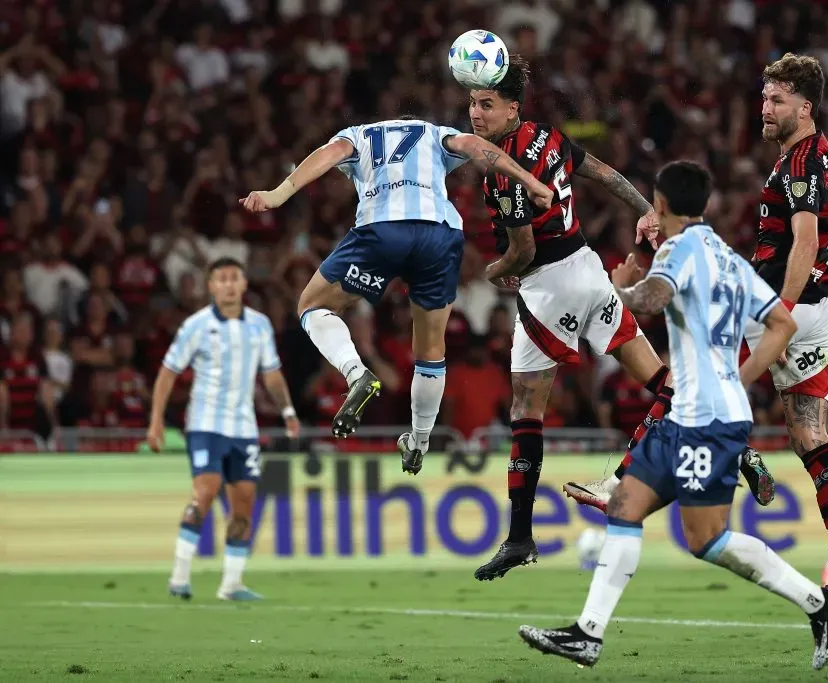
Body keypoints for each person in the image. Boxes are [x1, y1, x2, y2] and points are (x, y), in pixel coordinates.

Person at [518, 161, 828, 672]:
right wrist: (741, 380)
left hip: (706, 420)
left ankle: (818, 604)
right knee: (625, 507)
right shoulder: (729, 258)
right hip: (694, 413)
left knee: (706, 539)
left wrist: (618, 289)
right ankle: (587, 634)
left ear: (663, 204)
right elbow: (781, 323)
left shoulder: (678, 249)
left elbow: (653, 297)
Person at [465, 56, 773, 581]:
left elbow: (522, 249)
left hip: (549, 288)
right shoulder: (548, 137)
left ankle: (519, 536)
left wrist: (493, 272)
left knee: (525, 409)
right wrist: (645, 210)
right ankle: (738, 449)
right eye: (472, 103)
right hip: (590, 270)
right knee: (662, 381)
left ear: (512, 108)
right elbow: (603, 172)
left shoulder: (503, 171)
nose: (476, 114)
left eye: (486, 105)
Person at [240, 119, 552, 465]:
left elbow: (329, 155)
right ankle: (418, 441)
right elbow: (475, 147)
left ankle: (356, 373)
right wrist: (531, 181)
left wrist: (277, 193)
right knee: (431, 349)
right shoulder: (433, 132)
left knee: (313, 306)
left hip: (382, 229)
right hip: (439, 234)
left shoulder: (358, 135)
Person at [741, 52, 828, 589]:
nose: (765, 108)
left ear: (806, 107)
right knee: (809, 434)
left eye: (777, 100)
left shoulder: (798, 163)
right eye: (765, 98)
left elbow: (806, 241)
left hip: (779, 304)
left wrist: (780, 315)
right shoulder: (818, 153)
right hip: (820, 310)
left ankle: (739, 454)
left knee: (691, 375)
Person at [147, 257, 300, 601]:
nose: (229, 284)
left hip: (244, 429)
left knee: (244, 505)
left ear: (244, 284)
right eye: (222, 279)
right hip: (205, 424)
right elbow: (168, 371)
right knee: (204, 492)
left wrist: (288, 411)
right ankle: (179, 576)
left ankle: (231, 584)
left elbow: (271, 373)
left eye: (235, 278)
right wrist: (156, 420)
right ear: (211, 286)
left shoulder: (259, 325)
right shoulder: (196, 326)